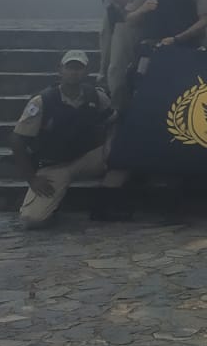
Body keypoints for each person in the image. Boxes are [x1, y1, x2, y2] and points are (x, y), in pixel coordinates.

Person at [12, 50, 126, 226]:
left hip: (86, 158)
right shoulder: (42, 101)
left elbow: (114, 120)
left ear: (87, 72)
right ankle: (53, 202)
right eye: (70, 67)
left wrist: (110, 144)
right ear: (60, 70)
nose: (74, 72)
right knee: (32, 219)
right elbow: (18, 141)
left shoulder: (96, 96)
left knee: (125, 155)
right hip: (54, 164)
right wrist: (32, 178)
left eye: (79, 68)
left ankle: (103, 205)